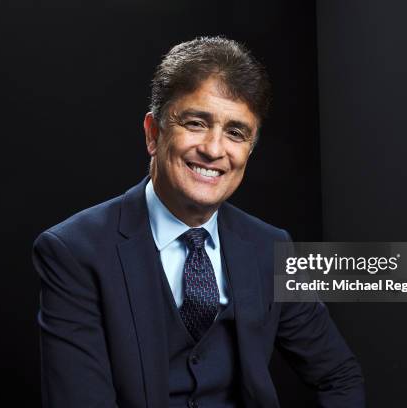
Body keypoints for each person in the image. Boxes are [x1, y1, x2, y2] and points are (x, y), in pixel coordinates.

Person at [33, 36, 364, 408]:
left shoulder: (270, 248)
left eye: (236, 133)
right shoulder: (74, 252)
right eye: (195, 123)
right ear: (153, 134)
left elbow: (338, 376)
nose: (213, 149)